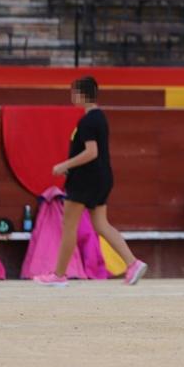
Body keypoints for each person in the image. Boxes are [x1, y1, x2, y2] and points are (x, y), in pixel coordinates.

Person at [34, 77, 147, 287]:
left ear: (80, 94)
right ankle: (133, 263)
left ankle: (58, 275)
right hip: (101, 178)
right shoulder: (99, 117)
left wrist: (64, 165)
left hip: (84, 180)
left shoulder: (87, 121)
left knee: (69, 226)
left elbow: (91, 152)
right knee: (101, 224)